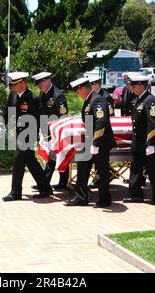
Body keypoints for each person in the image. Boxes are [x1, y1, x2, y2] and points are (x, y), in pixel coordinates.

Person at [0, 72, 53, 201]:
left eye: (14, 85)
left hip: (29, 134)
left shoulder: (32, 99)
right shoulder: (13, 94)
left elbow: (42, 118)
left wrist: (47, 136)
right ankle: (45, 188)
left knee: (17, 160)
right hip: (18, 132)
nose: (12, 88)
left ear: (23, 83)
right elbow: (8, 110)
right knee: (31, 161)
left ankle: (15, 192)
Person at [64, 78, 115, 208]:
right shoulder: (89, 100)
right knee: (82, 167)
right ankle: (81, 197)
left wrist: (96, 143)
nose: (77, 94)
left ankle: (104, 199)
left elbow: (101, 122)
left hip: (100, 143)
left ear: (83, 88)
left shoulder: (97, 100)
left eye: (77, 91)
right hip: (90, 141)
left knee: (102, 172)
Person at [122, 75, 155, 205]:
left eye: (134, 85)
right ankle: (135, 194)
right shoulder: (140, 100)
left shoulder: (150, 100)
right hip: (138, 142)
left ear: (141, 85)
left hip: (147, 143)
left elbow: (153, 123)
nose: (131, 88)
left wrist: (151, 143)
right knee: (135, 168)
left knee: (152, 170)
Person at [31, 72, 69, 190]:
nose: (38, 86)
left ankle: (45, 182)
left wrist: (57, 133)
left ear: (47, 81)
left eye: (40, 83)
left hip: (57, 132)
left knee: (54, 157)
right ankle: (57, 182)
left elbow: (63, 116)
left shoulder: (58, 96)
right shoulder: (43, 93)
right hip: (47, 130)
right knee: (54, 156)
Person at [87, 76, 117, 189]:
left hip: (103, 134)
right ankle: (98, 178)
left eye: (91, 85)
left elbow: (109, 115)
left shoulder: (105, 97)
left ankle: (99, 180)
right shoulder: (92, 97)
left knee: (101, 163)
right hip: (95, 134)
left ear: (96, 84)